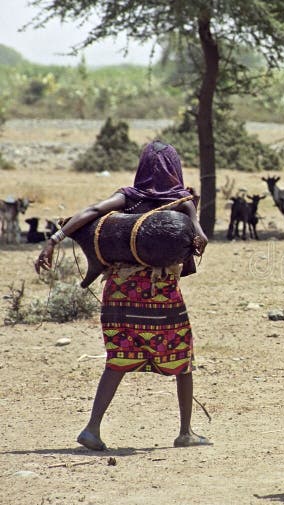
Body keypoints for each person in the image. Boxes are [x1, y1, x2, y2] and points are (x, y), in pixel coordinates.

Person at [34, 140, 210, 450]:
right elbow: (201, 237)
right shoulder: (181, 200)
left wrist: (54, 239)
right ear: (175, 169)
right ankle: (186, 432)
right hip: (161, 296)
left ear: (142, 168)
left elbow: (89, 212)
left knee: (117, 359)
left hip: (119, 295)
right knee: (181, 358)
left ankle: (92, 427)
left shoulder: (128, 197)